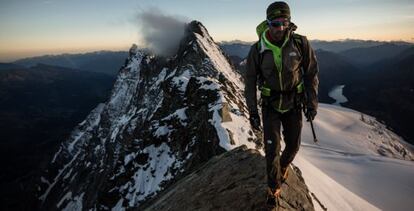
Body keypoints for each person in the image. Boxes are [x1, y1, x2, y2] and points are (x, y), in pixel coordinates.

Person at [244, 1, 319, 209]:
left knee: (293, 145)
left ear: (289, 22)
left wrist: (312, 103)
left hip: (294, 102)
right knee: (272, 149)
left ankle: (284, 166)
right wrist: (252, 112)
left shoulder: (300, 43)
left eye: (284, 23)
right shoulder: (257, 50)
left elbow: (311, 73)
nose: (280, 28)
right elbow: (249, 82)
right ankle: (273, 188)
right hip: (270, 105)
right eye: (275, 23)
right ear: (267, 23)